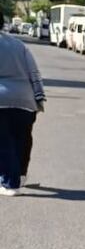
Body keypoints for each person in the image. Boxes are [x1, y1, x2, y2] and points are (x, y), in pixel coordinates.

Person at [0, 11, 45, 195]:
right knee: (22, 138)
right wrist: (38, 97)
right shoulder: (18, 44)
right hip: (26, 100)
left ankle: (10, 184)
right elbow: (34, 71)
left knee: (3, 142)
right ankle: (19, 176)